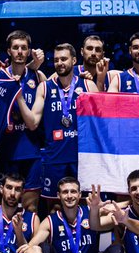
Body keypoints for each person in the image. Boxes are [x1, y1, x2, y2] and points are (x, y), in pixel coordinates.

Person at [17, 43, 99, 205]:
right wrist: (19, 96)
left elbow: (100, 124)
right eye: (56, 60)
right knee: (54, 208)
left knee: (86, 206)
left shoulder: (88, 85)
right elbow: (32, 123)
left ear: (74, 60)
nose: (60, 63)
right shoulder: (44, 87)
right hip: (54, 158)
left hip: (82, 159)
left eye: (64, 59)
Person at [0, 30, 47, 211]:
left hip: (31, 153)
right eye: (16, 48)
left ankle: (28, 240)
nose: (20, 51)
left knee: (31, 209)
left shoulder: (38, 77)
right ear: (8, 51)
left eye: (24, 48)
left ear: (29, 50)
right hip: (4, 152)